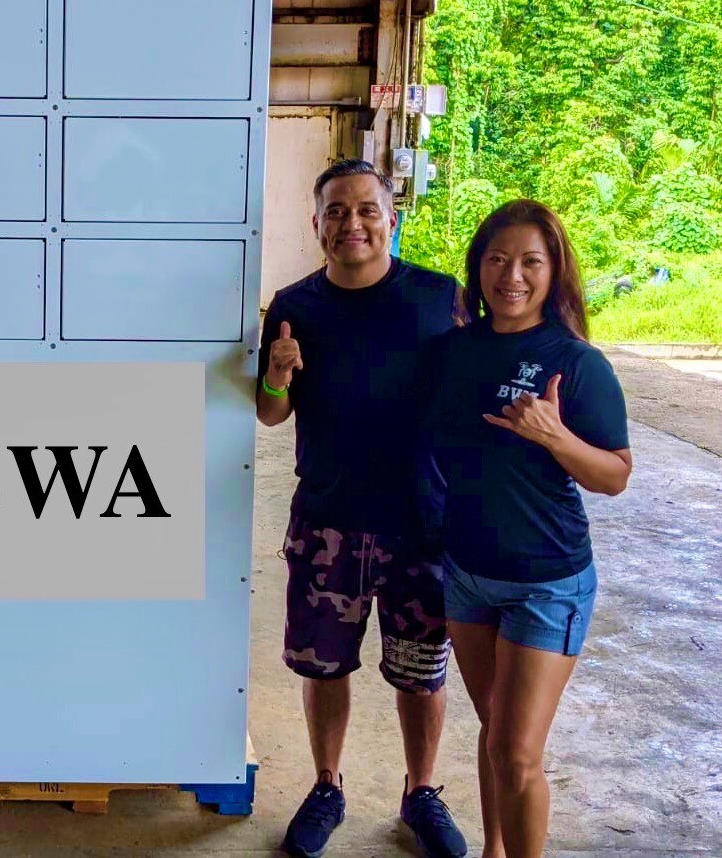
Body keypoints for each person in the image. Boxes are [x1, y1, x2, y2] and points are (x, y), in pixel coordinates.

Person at [258, 159, 468, 858]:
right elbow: (268, 412)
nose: (353, 223)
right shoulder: (294, 305)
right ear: (316, 225)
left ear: (392, 217)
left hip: (422, 525)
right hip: (328, 522)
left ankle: (422, 791)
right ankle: (326, 784)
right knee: (326, 666)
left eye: (368, 209)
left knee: (420, 668)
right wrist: (280, 374)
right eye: (337, 211)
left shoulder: (442, 299)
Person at [427, 200, 631, 858]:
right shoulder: (454, 350)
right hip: (466, 573)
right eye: (497, 259)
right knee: (494, 732)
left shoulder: (575, 362)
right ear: (478, 267)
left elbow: (615, 475)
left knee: (517, 750)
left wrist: (557, 435)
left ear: (554, 272)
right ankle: (493, 848)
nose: (511, 275)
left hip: (548, 580)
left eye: (529, 262)